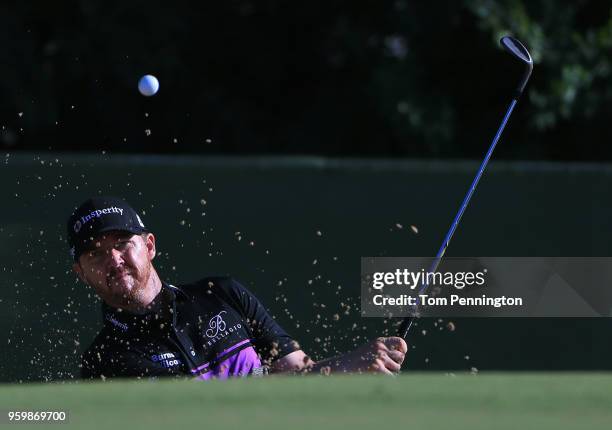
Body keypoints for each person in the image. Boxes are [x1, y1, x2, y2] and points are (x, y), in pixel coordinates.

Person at [68, 196, 407, 380]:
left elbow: (299, 372)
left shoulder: (221, 294)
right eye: (95, 253)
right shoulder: (106, 360)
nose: (113, 260)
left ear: (151, 246)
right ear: (81, 273)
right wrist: (348, 364)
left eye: (124, 243)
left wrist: (353, 371)